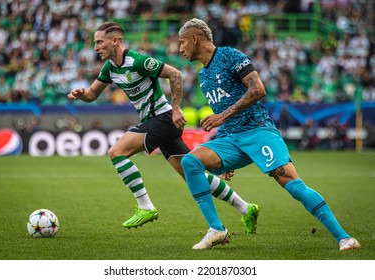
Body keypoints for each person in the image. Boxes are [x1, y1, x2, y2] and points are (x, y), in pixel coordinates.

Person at [178, 18, 361, 250]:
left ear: (195, 38)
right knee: (190, 162)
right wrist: (224, 141)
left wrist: (222, 116)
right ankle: (217, 229)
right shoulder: (204, 77)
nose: (180, 49)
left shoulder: (230, 56)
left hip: (258, 131)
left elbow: (258, 90)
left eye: (182, 42)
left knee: (291, 183)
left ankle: (345, 238)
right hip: (231, 139)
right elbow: (223, 112)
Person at [67, 22, 260, 232]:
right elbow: (92, 94)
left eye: (99, 42)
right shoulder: (111, 68)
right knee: (193, 176)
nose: (95, 47)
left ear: (115, 41)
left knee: (117, 151)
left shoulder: (138, 61)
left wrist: (176, 108)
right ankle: (246, 208)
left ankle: (145, 206)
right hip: (158, 122)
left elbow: (175, 74)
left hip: (164, 119)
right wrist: (81, 94)